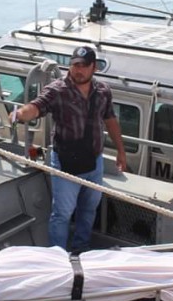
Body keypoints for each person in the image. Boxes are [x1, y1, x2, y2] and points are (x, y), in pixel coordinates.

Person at [12, 46, 127, 252]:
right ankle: (58, 256)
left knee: (89, 209)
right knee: (62, 213)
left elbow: (110, 119)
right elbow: (37, 106)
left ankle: (80, 249)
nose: (78, 70)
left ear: (94, 68)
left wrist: (121, 150)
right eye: (75, 65)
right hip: (65, 163)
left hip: (94, 161)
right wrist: (20, 114)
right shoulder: (57, 90)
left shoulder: (103, 91)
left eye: (83, 66)